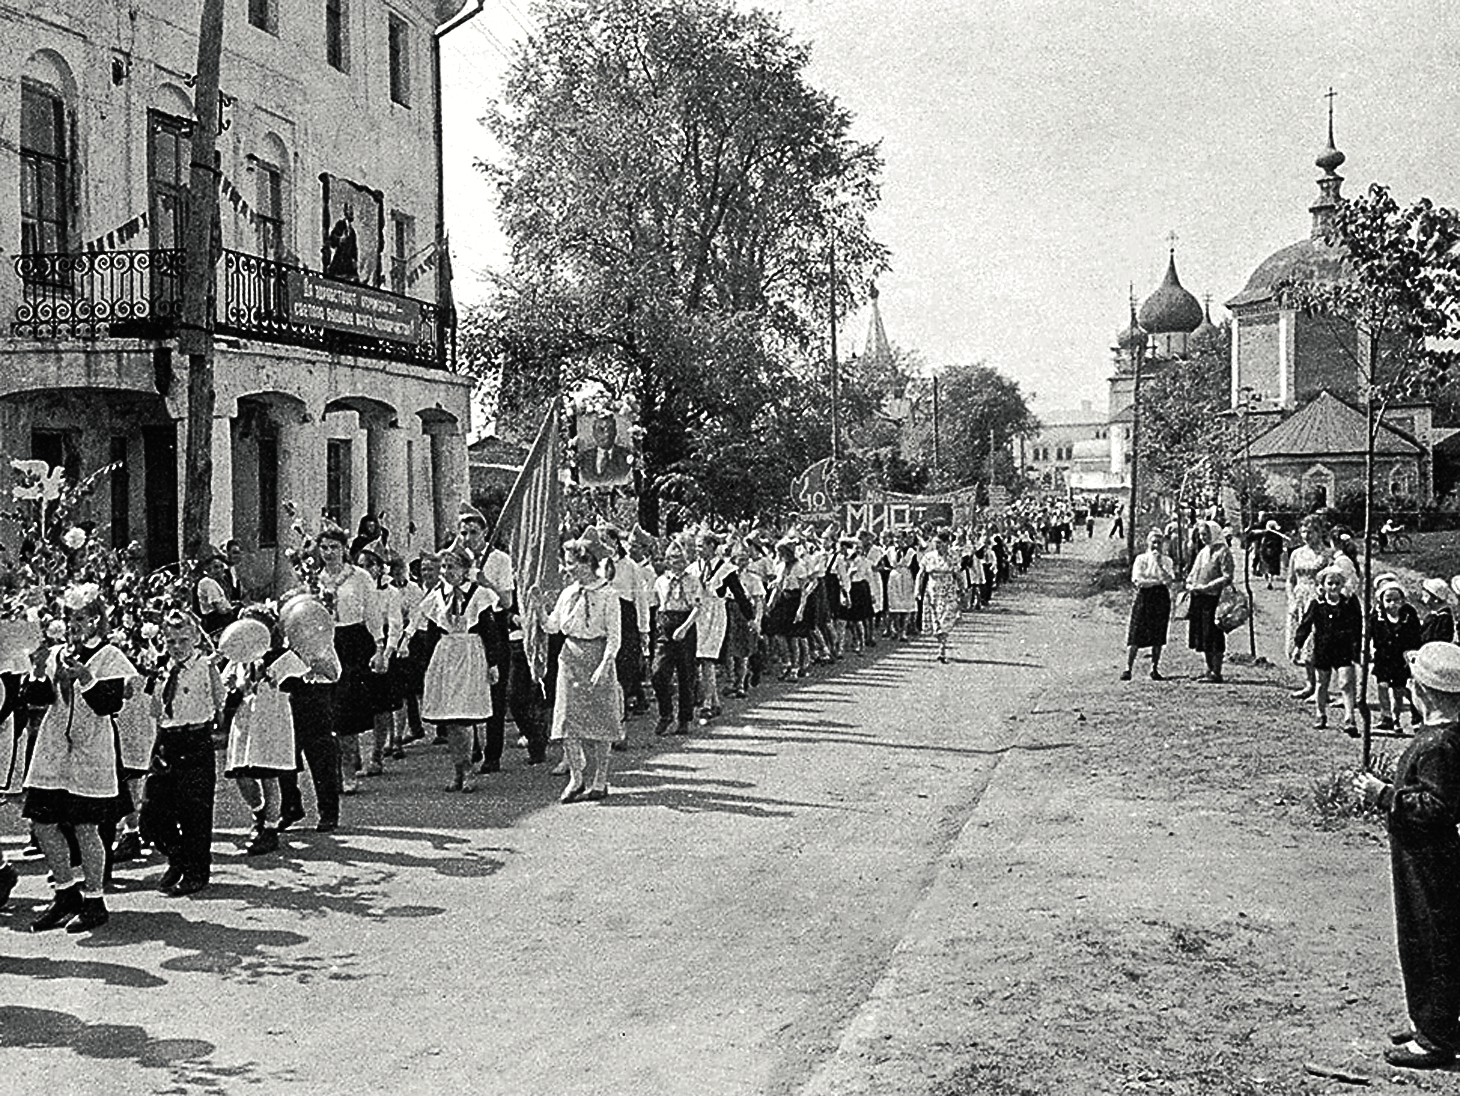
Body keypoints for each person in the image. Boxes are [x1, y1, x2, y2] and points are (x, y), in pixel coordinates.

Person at [1353, 642, 1460, 1070]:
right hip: (1425, 856)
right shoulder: (1443, 738)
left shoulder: (1439, 746)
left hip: (1428, 861)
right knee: (1434, 939)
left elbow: (1436, 807)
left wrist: (1386, 796)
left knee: (1428, 941)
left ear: (1423, 693)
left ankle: (1434, 1038)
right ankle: (1433, 1022)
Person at [22, 585, 138, 932]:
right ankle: (65, 891)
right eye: (70, 618)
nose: (75, 625)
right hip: (54, 750)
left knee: (87, 827)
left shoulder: (110, 656)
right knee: (43, 823)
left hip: (91, 750)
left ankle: (94, 899)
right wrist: (39, 673)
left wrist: (86, 679)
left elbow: (109, 705)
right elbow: (38, 700)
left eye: (82, 618)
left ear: (97, 620)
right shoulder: (57, 653)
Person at [140, 609, 225, 897]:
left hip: (195, 739)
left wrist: (214, 668)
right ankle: (176, 855)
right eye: (171, 641)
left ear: (196, 639)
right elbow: (154, 709)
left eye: (183, 640)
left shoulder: (204, 666)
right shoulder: (163, 667)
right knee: (151, 813)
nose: (177, 647)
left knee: (194, 813)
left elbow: (220, 700)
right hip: (166, 739)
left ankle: (195, 872)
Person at [416, 540, 504, 793]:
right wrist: (429, 665)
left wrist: (493, 663)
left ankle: (468, 770)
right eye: (443, 567)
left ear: (465, 570)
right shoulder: (437, 596)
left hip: (470, 653)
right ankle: (457, 767)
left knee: (464, 717)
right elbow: (432, 632)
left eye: (452, 566)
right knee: (450, 719)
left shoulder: (478, 594)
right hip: (446, 655)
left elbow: (490, 631)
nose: (446, 572)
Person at [546, 533, 622, 802]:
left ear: (587, 562)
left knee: (600, 720)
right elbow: (553, 626)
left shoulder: (608, 594)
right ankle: (577, 777)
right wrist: (534, 610)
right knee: (567, 720)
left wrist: (605, 664)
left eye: (571, 563)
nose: (567, 569)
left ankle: (600, 779)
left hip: (597, 656)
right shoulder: (568, 593)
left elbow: (614, 636)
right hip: (570, 657)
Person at [224, 610, 306, 856]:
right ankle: (258, 811)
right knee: (241, 775)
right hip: (245, 722)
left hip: (271, 721)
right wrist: (233, 689)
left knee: (269, 775)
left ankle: (270, 828)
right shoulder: (238, 660)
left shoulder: (283, 657)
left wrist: (273, 677)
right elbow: (227, 690)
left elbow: (298, 683)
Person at [316, 524, 381, 795]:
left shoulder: (360, 577)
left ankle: (348, 767)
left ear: (344, 549)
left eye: (334, 547)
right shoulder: (314, 577)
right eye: (324, 547)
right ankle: (338, 765)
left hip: (353, 641)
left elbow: (373, 612)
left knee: (345, 710)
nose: (329, 552)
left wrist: (380, 645)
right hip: (325, 642)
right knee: (328, 711)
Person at [1294, 565, 1362, 734]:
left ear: (1342, 585)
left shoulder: (1348, 603)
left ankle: (1349, 717)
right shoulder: (1317, 604)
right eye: (1330, 583)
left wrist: (1358, 648)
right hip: (1323, 648)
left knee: (1346, 683)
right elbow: (1306, 625)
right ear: (1322, 585)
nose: (1333, 587)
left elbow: (1356, 626)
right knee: (1321, 683)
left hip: (1343, 648)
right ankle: (1320, 713)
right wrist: (1298, 645)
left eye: (1337, 583)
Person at [650, 539, 702, 735]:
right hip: (666, 623)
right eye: (672, 559)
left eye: (680, 559)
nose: (676, 563)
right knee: (658, 672)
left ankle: (684, 719)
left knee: (686, 675)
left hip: (685, 623)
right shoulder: (661, 581)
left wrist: (684, 628)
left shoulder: (692, 580)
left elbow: (697, 607)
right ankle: (666, 713)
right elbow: (656, 603)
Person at [1286, 515, 1335, 700]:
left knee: (1318, 641)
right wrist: (1291, 599)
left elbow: (1334, 577)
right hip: (1300, 598)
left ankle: (1323, 687)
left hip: (1317, 599)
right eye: (1304, 531)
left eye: (1311, 531)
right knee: (1303, 641)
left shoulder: (1327, 554)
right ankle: (1309, 683)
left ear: (1320, 532)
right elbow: (1290, 580)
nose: (1307, 535)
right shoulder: (1296, 553)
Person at [1185, 520, 1234, 684]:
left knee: (1214, 634)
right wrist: (1190, 583)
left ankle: (1217, 670)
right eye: (1201, 535)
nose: (1203, 538)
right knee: (1202, 635)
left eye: (1206, 534)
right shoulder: (1204, 552)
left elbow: (1227, 576)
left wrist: (1208, 586)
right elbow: (1194, 571)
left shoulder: (1223, 551)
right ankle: (1208, 669)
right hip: (1199, 597)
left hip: (1214, 598)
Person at [1123, 529, 1175, 681]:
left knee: (1158, 633)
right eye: (1154, 542)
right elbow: (1138, 581)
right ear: (1148, 543)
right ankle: (1128, 667)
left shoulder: (1167, 561)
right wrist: (1157, 581)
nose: (1156, 546)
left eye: (1159, 543)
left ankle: (1154, 667)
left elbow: (1169, 580)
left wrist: (1159, 565)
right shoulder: (1141, 559)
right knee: (1136, 632)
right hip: (1144, 597)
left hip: (1161, 598)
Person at [1372, 581, 1423, 733]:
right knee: (1382, 685)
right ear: (1381, 601)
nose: (1392, 604)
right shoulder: (1377, 617)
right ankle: (1386, 716)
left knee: (1400, 689)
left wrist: (1411, 653)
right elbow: (1371, 634)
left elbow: (1414, 637)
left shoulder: (1408, 618)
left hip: (1400, 659)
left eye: (1396, 600)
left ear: (1402, 601)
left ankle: (1407, 717)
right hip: (1383, 657)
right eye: (1388, 600)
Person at [917, 530, 964, 664]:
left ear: (946, 543)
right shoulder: (928, 556)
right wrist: (918, 590)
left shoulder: (953, 556)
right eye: (935, 543)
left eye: (940, 543)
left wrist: (962, 589)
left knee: (945, 620)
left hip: (948, 591)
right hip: (932, 591)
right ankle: (941, 643)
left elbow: (958, 574)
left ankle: (942, 649)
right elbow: (921, 574)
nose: (937, 546)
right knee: (936, 621)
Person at [575, 413, 635, 488]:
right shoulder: (583, 459)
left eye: (610, 429)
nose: (607, 434)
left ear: (615, 432)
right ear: (593, 433)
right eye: (601, 429)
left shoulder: (626, 456)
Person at [325, 203, 359, 281]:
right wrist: (340, 239)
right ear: (345, 212)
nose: (351, 213)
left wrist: (354, 259)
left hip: (348, 260)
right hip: (341, 257)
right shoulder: (340, 225)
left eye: (352, 211)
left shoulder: (352, 231)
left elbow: (354, 247)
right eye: (349, 210)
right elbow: (332, 239)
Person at [1420, 579, 1457, 646]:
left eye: (1426, 596)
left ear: (1436, 599)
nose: (1422, 599)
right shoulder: (1431, 617)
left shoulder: (1444, 619)